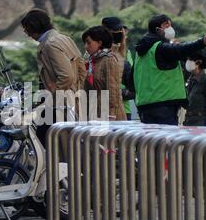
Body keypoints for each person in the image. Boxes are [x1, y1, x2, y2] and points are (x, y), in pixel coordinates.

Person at [133, 14, 206, 125]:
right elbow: (180, 49)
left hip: (144, 106)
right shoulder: (160, 48)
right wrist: (200, 43)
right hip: (164, 106)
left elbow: (130, 78)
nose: (170, 28)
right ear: (158, 29)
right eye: (166, 25)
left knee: (152, 141)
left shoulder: (140, 53)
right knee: (165, 141)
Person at [21, 9, 86, 146]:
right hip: (70, 100)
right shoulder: (64, 38)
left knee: (47, 143)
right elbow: (81, 69)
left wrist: (52, 92)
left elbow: (66, 76)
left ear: (34, 27)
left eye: (27, 29)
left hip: (58, 104)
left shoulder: (50, 45)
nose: (27, 34)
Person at [82, 26, 126, 121]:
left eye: (89, 42)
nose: (86, 46)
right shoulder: (92, 61)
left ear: (99, 42)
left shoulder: (108, 59)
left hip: (109, 116)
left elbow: (113, 89)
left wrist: (111, 114)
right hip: (96, 113)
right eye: (85, 43)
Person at [102, 16, 134, 120]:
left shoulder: (126, 53)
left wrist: (122, 92)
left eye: (120, 31)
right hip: (101, 110)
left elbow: (132, 83)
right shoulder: (96, 54)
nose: (119, 34)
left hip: (124, 109)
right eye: (115, 31)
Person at [183, 52, 206, 127]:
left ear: (198, 63)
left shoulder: (205, 80)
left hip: (201, 123)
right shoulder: (190, 80)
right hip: (189, 122)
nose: (188, 61)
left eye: (191, 59)